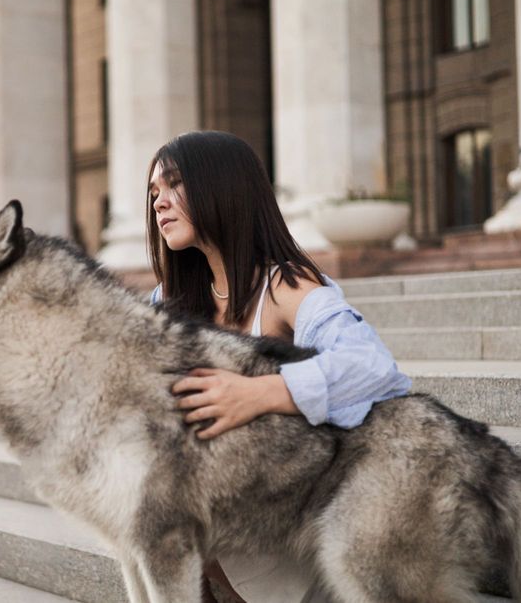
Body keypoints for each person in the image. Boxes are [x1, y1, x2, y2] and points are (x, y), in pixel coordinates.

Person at [146, 130, 412, 603]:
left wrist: (256, 394)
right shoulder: (170, 299)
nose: (159, 203)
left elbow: (371, 365)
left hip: (295, 524)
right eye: (154, 193)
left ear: (222, 186)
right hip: (222, 518)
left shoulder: (285, 286)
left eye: (175, 184)